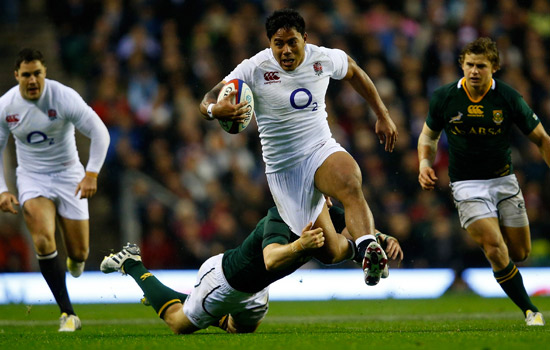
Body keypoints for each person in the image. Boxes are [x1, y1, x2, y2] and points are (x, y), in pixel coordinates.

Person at [198, 8, 398, 286]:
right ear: (270, 44)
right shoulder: (254, 68)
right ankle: (359, 249)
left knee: (349, 179)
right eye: (278, 44)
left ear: (305, 38)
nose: (286, 50)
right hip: (284, 170)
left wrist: (382, 114)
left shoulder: (322, 58)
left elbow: (353, 70)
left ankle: (368, 248)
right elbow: (208, 98)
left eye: (292, 42)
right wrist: (213, 110)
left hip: (319, 148)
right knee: (329, 252)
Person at [100, 204, 403, 334]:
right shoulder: (279, 215)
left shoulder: (322, 212)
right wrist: (301, 246)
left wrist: (381, 239)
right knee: (179, 324)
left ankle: (185, 299)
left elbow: (353, 223)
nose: (327, 202)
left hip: (256, 289)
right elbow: (272, 258)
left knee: (238, 329)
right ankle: (132, 263)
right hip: (226, 281)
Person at [417, 37, 549, 326]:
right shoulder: (445, 97)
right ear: (461, 66)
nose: (474, 71)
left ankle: (515, 282)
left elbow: (541, 139)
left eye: (481, 66)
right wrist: (424, 163)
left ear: (495, 68)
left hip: (504, 182)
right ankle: (530, 310)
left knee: (520, 252)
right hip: (466, 185)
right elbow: (428, 135)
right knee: (493, 246)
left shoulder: (509, 98)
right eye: (469, 65)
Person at [0, 48, 110, 331]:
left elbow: (99, 132)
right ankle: (67, 313)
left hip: (68, 175)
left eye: (37, 73)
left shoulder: (63, 97)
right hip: (32, 177)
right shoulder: (6, 106)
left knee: (80, 254)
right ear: (17, 76)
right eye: (26, 74)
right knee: (43, 239)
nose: (32, 79)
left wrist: (91, 174)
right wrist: (2, 189)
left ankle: (76, 259)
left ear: (45, 73)